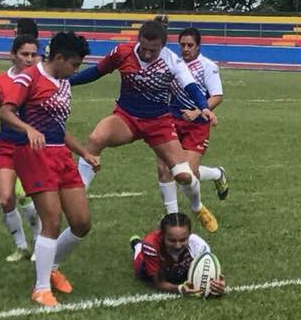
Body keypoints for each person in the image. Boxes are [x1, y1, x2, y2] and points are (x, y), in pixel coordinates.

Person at [69, 20, 221, 232]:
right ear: (138, 40)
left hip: (159, 123)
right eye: (144, 48)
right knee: (96, 138)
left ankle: (197, 206)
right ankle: (78, 195)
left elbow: (191, 86)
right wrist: (68, 81)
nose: (148, 54)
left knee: (185, 176)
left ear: (163, 47)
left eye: (154, 50)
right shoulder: (122, 52)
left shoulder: (172, 61)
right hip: (127, 117)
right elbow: (97, 71)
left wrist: (203, 107)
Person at [0, 31, 100, 307]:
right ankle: (41, 289)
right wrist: (28, 128)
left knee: (81, 223)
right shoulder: (29, 77)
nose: (76, 70)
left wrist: (84, 153)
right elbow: (6, 112)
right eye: (74, 64)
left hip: (61, 155)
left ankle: (52, 265)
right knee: (52, 220)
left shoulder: (64, 83)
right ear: (58, 58)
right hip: (33, 155)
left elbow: (58, 129)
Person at [0, 34, 41, 261]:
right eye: (24, 54)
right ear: (13, 55)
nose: (30, 59)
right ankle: (21, 247)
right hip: (7, 144)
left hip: (32, 146)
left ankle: (40, 245)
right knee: (6, 199)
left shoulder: (41, 80)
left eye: (34, 54)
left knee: (28, 197)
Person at [157, 27, 229, 215]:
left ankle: (217, 174)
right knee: (165, 167)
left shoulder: (207, 66)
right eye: (183, 45)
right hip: (171, 120)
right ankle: (172, 217)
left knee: (187, 173)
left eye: (190, 45)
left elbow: (217, 96)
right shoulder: (174, 63)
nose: (186, 49)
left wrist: (198, 112)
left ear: (198, 46)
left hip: (197, 125)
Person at [130, 213, 226, 296]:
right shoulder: (151, 246)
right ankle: (136, 244)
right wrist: (180, 289)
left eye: (183, 240)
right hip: (143, 264)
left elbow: (210, 268)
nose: (178, 246)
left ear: (189, 235)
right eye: (172, 240)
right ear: (162, 235)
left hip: (176, 268)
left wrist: (218, 283)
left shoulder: (198, 245)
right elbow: (159, 283)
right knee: (139, 250)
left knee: (179, 274)